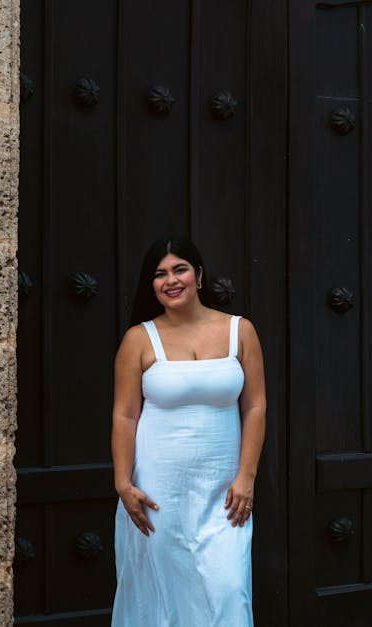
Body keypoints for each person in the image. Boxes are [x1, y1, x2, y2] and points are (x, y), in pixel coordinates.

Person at [111, 236, 266, 626]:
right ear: (152, 285)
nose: (171, 280)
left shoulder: (239, 331)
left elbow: (255, 406)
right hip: (159, 493)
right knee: (162, 596)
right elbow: (125, 416)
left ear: (198, 275)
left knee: (228, 588)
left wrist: (246, 477)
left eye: (179, 269)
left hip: (225, 493)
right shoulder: (138, 339)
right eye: (160, 274)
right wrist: (122, 483)